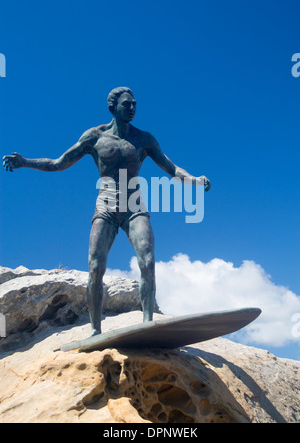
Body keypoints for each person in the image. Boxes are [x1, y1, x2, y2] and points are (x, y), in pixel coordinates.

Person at [3, 87, 211, 336]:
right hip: (106, 206)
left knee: (147, 260)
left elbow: (172, 168)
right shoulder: (95, 136)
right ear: (113, 107)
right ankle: (95, 329)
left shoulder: (144, 139)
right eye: (127, 104)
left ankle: (147, 323)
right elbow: (59, 163)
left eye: (135, 104)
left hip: (134, 206)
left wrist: (195, 180)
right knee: (95, 267)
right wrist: (26, 162)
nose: (132, 108)